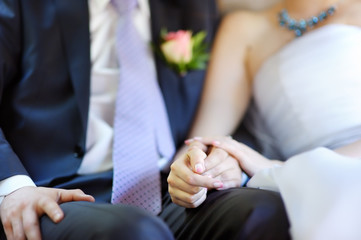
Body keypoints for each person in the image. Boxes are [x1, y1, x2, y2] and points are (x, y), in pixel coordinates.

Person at [0, 0, 220, 239]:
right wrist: (13, 186)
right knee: (138, 233)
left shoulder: (195, 5)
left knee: (256, 209)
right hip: (54, 190)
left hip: (170, 184)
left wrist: (212, 162)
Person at [168, 0, 361, 238]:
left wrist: (274, 170)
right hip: (316, 189)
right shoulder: (243, 29)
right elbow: (207, 134)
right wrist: (193, 168)